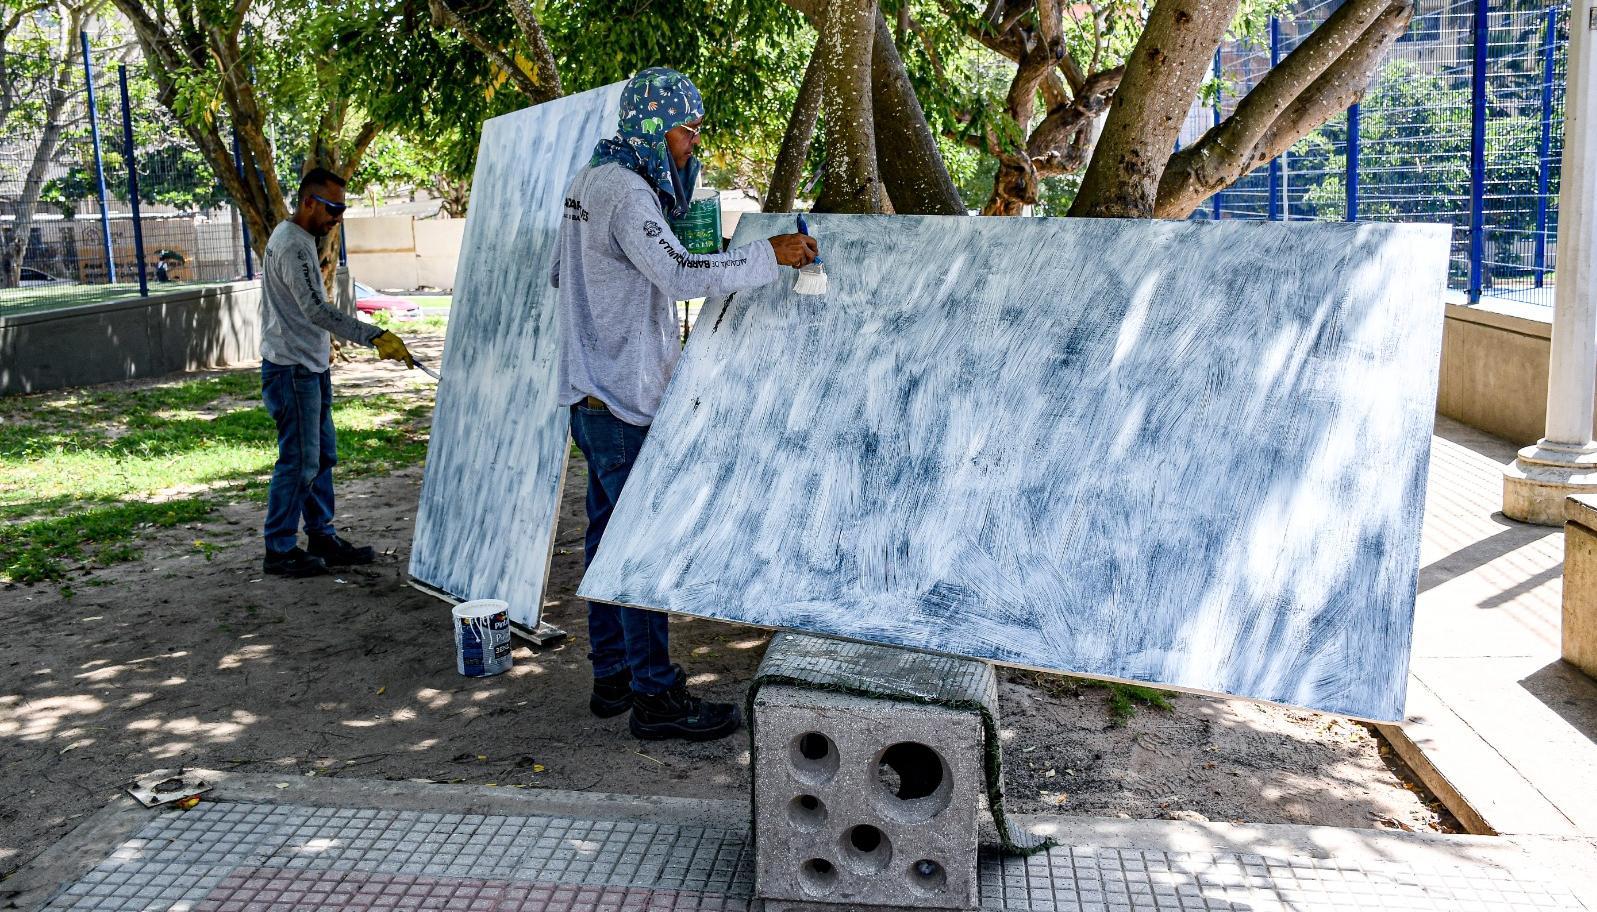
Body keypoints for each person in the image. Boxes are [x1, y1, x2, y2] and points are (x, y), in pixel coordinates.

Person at [551, 67, 818, 742]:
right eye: (687, 130)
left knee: (608, 539)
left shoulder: (588, 180)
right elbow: (675, 275)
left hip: (591, 392)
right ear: (653, 125)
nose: (691, 145)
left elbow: (570, 272)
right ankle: (655, 698)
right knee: (640, 548)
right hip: (618, 395)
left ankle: (611, 677)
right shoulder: (627, 191)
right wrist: (767, 256)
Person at [259, 167, 416, 577]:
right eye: (333, 207)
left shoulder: (302, 238)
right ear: (309, 201)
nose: (338, 217)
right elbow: (315, 309)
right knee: (298, 462)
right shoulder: (291, 244)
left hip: (310, 366)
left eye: (343, 209)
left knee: (321, 456)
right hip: (291, 370)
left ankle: (321, 535)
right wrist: (374, 334)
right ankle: (279, 549)